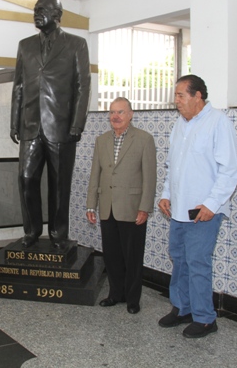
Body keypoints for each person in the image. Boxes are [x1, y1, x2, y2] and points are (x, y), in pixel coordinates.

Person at [158, 75, 237, 338]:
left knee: (197, 262)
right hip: (179, 209)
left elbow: (230, 170)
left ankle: (205, 318)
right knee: (179, 259)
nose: (177, 101)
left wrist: (211, 204)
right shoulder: (180, 125)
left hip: (203, 212)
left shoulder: (218, 123)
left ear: (198, 96)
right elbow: (173, 166)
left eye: (181, 95)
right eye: (176, 96)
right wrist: (165, 194)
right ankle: (183, 308)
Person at [10, 0, 91, 249]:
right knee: (25, 179)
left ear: (57, 14)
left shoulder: (77, 44)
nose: (36, 12)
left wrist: (77, 124)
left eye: (42, 9)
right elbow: (19, 87)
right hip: (30, 126)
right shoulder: (25, 45)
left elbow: (82, 86)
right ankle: (32, 231)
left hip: (62, 127)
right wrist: (14, 122)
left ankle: (58, 233)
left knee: (59, 185)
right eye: (35, 9)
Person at [86, 97, 156, 314]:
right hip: (107, 207)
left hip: (133, 208)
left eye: (120, 112)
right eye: (112, 112)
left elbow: (149, 177)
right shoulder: (102, 140)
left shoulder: (144, 139)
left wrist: (145, 207)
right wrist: (91, 205)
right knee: (112, 255)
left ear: (131, 114)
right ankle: (115, 294)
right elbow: (95, 175)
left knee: (133, 256)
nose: (115, 116)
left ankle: (133, 299)